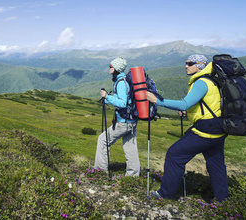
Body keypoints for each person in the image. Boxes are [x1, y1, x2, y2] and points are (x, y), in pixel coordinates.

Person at [146, 54, 229, 202]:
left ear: (200, 65)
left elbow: (184, 103)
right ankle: (222, 201)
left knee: (174, 155)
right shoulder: (212, 80)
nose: (186, 66)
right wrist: (188, 113)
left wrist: (157, 101)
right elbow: (208, 105)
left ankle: (165, 194)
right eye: (186, 63)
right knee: (216, 166)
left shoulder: (201, 82)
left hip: (205, 130)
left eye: (190, 63)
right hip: (219, 128)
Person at [94, 57, 141, 177]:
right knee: (130, 147)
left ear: (116, 68)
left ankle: (100, 171)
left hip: (123, 122)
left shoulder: (121, 83)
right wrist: (107, 100)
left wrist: (107, 97)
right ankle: (133, 175)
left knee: (103, 140)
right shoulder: (123, 80)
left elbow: (123, 103)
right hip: (131, 120)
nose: (109, 67)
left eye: (111, 66)